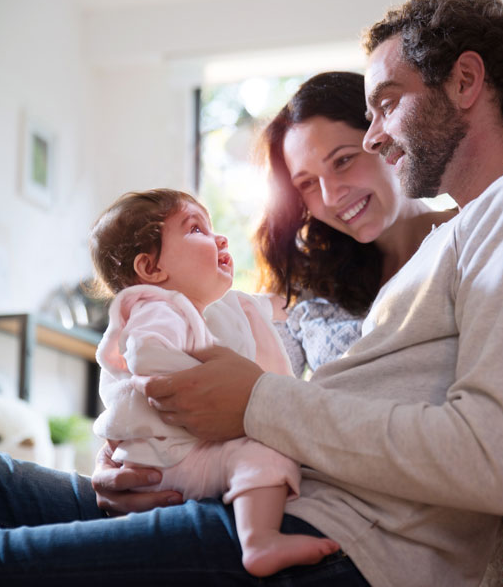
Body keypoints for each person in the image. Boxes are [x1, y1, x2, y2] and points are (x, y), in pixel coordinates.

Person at [0, 0, 503, 586]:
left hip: (344, 536)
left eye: (386, 104)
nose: (380, 134)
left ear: (467, 82)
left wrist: (258, 402)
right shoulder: (463, 232)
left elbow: (490, 460)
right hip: (283, 497)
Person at [88, 188, 338, 576]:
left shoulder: (208, 309)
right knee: (261, 451)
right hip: (172, 458)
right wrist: (198, 388)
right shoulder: (157, 309)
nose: (219, 238)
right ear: (151, 270)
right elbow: (146, 355)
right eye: (196, 230)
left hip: (172, 459)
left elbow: (275, 304)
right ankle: (260, 540)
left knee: (259, 448)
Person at [254, 70, 456, 375]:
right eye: (307, 183)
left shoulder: (469, 236)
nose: (332, 196)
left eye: (343, 161)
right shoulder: (316, 280)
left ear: (386, 140)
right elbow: (262, 388)